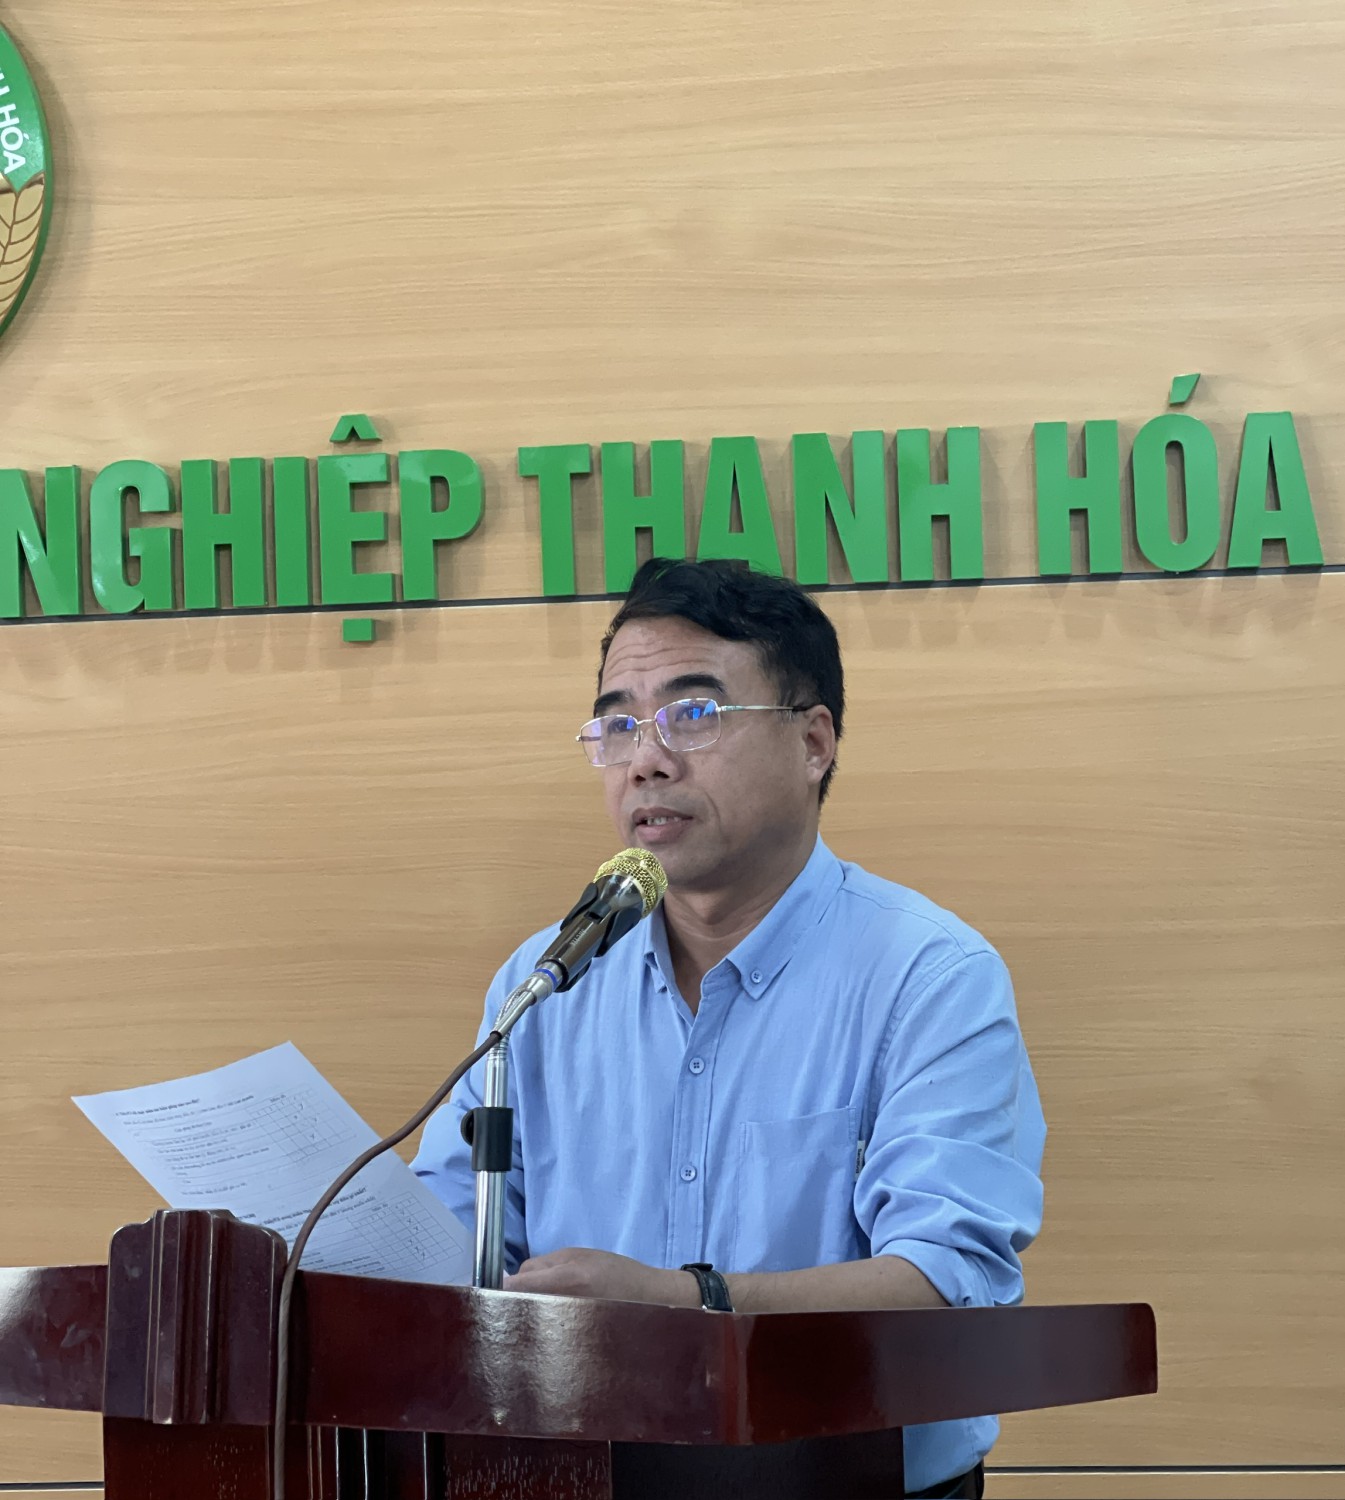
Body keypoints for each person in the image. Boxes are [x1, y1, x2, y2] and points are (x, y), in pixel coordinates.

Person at [414, 557, 1046, 1500]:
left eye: (693, 714)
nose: (646, 759)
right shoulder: (543, 982)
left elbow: (943, 1281)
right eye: (619, 724)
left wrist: (680, 1304)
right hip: (580, 1479)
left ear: (813, 742)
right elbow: (446, 1244)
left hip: (849, 1484)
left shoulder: (928, 976)